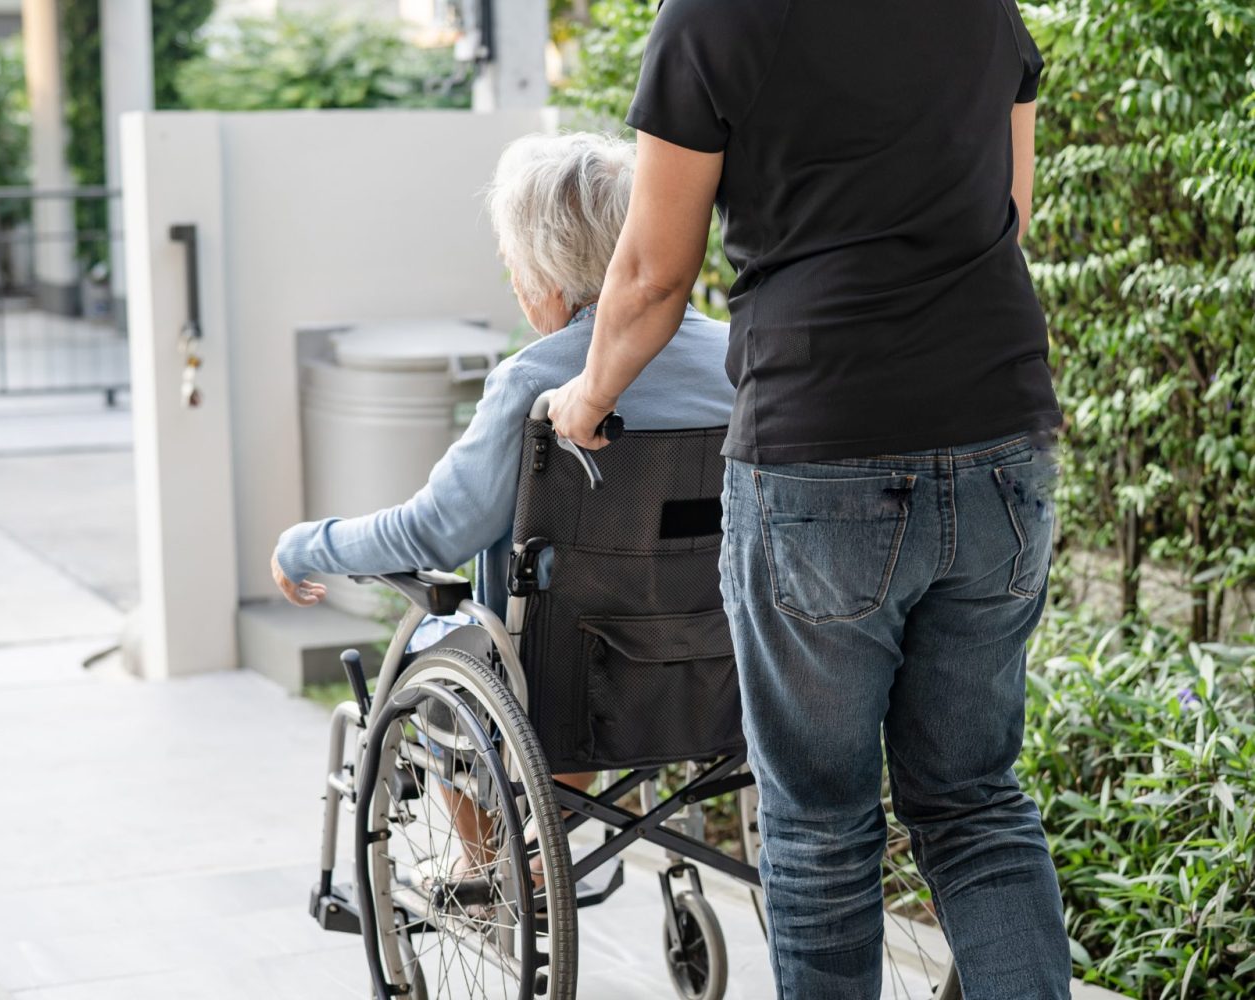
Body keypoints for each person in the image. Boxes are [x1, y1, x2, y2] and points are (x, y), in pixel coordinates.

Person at [548, 2, 1072, 998]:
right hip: (1003, 434)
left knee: (822, 826)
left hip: (822, 447)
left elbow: (656, 272)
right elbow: (1011, 207)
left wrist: (590, 394)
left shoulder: (711, 17)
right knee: (974, 804)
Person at [270, 130, 735, 873]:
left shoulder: (535, 380)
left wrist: (308, 544)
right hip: (720, 661)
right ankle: (541, 847)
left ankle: (484, 866)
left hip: (568, 682)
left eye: (513, 262)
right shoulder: (738, 357)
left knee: (441, 651)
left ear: (546, 275)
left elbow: (435, 532)